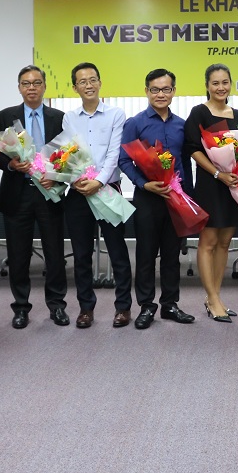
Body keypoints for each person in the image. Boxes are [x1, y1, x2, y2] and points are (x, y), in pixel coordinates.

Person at [118, 68, 196, 329]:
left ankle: (170, 304)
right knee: (146, 254)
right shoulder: (135, 123)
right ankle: (146, 306)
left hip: (176, 197)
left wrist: (188, 193)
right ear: (146, 91)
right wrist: (143, 183)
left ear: (173, 91)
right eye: (155, 89)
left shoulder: (181, 125)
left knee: (173, 254)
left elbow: (185, 161)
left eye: (165, 89)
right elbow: (124, 160)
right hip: (147, 197)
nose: (160, 94)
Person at [0, 65, 68, 330]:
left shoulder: (58, 117)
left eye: (37, 83)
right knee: (18, 253)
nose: (32, 87)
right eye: (26, 83)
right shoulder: (6, 115)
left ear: (44, 86)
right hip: (18, 192)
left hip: (49, 192)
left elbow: (67, 156)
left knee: (54, 252)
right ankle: (21, 307)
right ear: (20, 88)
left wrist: (56, 176)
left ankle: (57, 306)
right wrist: (12, 165)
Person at [62, 62, 133, 329]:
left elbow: (115, 153)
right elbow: (69, 153)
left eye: (93, 80)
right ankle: (85, 309)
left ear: (100, 83)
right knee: (81, 254)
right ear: (75, 87)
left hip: (108, 190)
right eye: (82, 81)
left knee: (118, 251)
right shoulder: (69, 117)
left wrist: (99, 181)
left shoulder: (116, 114)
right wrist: (81, 181)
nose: (88, 85)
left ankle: (123, 308)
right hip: (79, 192)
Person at [184, 64, 238, 323]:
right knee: (208, 242)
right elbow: (193, 149)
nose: (220, 87)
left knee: (224, 242)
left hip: (233, 185)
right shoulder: (199, 112)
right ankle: (211, 297)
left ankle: (216, 297)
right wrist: (218, 174)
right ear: (207, 85)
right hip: (211, 185)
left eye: (225, 82)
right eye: (215, 83)